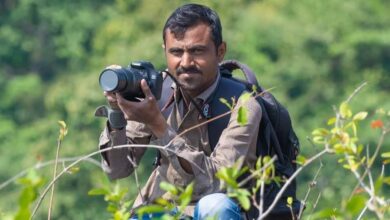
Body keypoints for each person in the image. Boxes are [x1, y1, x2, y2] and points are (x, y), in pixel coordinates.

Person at [97, 3, 262, 219]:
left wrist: (159, 125)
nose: (185, 62)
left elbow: (215, 183)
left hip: (214, 209)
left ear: (220, 52)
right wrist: (117, 112)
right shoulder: (158, 92)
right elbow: (118, 170)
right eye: (176, 52)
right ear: (164, 51)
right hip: (161, 208)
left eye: (197, 51)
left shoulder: (243, 105)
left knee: (215, 206)